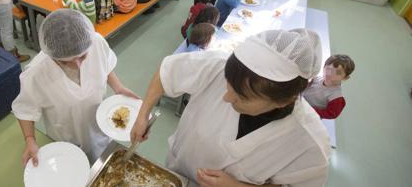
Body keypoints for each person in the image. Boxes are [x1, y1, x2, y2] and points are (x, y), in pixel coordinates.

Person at [131, 29, 330, 187]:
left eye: (241, 97)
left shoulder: (308, 142)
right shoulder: (218, 65)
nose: (226, 97)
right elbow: (167, 71)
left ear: (283, 101)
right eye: (228, 84)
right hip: (176, 171)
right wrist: (143, 115)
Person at [12, 9, 139, 165]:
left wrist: (118, 87)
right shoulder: (37, 73)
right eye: (66, 62)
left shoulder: (95, 42)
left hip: (100, 127)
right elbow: (25, 109)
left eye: (83, 56)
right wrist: (30, 140)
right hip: (66, 138)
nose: (77, 64)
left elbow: (104, 65)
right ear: (51, 55)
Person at [303, 54, 355, 119]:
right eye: (328, 69)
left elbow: (331, 114)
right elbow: (303, 88)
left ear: (345, 77)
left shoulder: (336, 96)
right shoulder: (316, 79)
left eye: (338, 72)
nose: (330, 74)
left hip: (309, 117)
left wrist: (310, 111)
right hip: (298, 105)